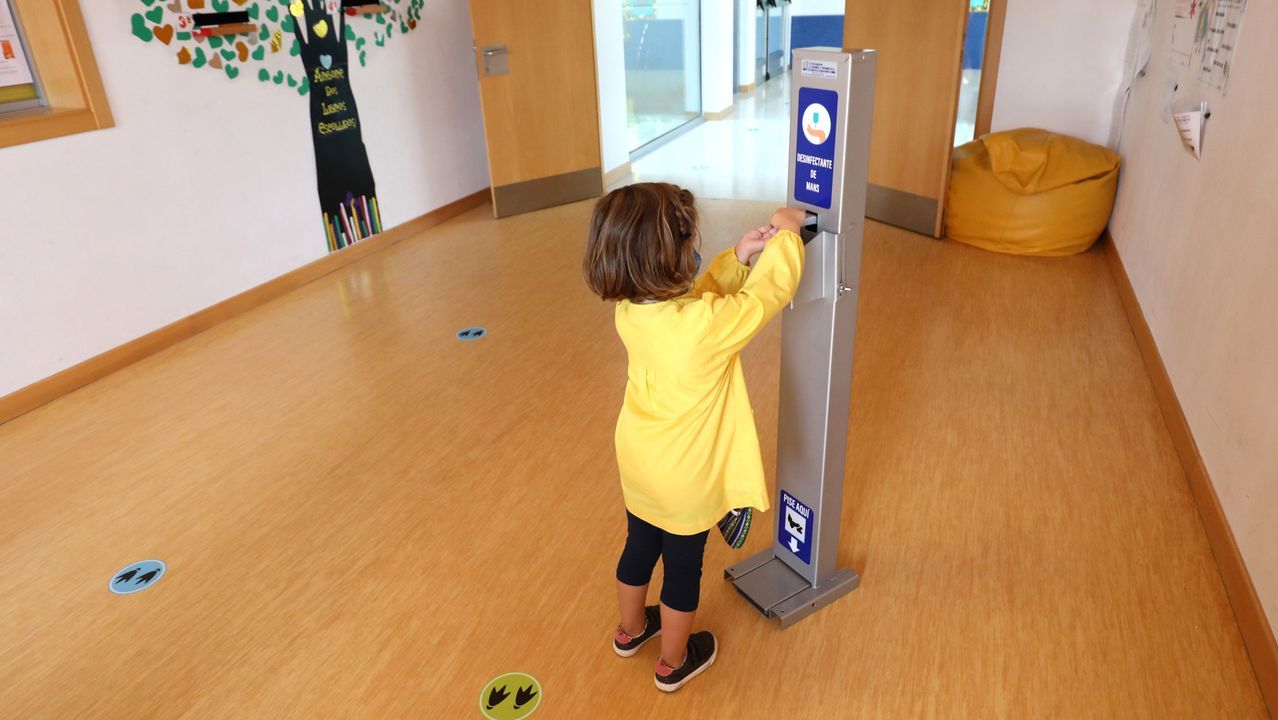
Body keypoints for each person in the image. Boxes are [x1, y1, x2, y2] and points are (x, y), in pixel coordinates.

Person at [581, 182, 805, 692]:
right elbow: (765, 297)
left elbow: (694, 301)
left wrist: (738, 257)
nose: (694, 248)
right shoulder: (702, 329)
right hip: (685, 478)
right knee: (682, 570)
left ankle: (630, 631)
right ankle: (673, 661)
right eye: (688, 241)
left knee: (639, 547)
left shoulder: (632, 310)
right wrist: (788, 235)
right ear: (668, 259)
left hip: (640, 462)